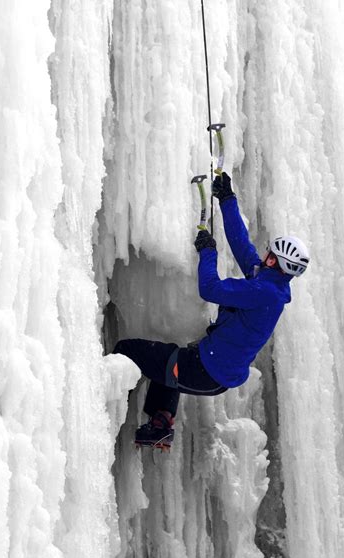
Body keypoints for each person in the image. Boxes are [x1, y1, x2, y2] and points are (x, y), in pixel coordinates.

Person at [113, 172, 310, 449]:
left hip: (205, 371)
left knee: (129, 350)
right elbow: (242, 246)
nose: (264, 256)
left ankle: (107, 408)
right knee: (166, 362)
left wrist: (208, 253)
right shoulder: (270, 283)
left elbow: (210, 289)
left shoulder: (263, 293)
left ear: (278, 264)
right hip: (210, 367)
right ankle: (160, 424)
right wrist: (227, 200)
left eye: (270, 255)